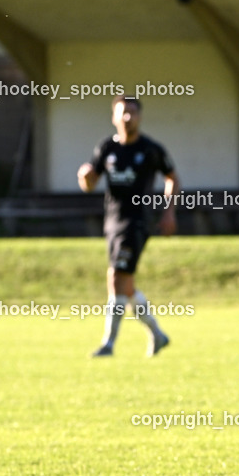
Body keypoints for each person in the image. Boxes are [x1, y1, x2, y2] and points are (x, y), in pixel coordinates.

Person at [77, 95, 179, 357]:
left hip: (137, 221)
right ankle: (157, 335)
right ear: (114, 117)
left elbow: (172, 178)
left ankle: (108, 344)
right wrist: (84, 177)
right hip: (112, 221)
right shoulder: (106, 149)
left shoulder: (150, 149)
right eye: (122, 112)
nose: (127, 117)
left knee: (115, 276)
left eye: (132, 112)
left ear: (139, 117)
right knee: (127, 284)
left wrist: (168, 212)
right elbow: (89, 184)